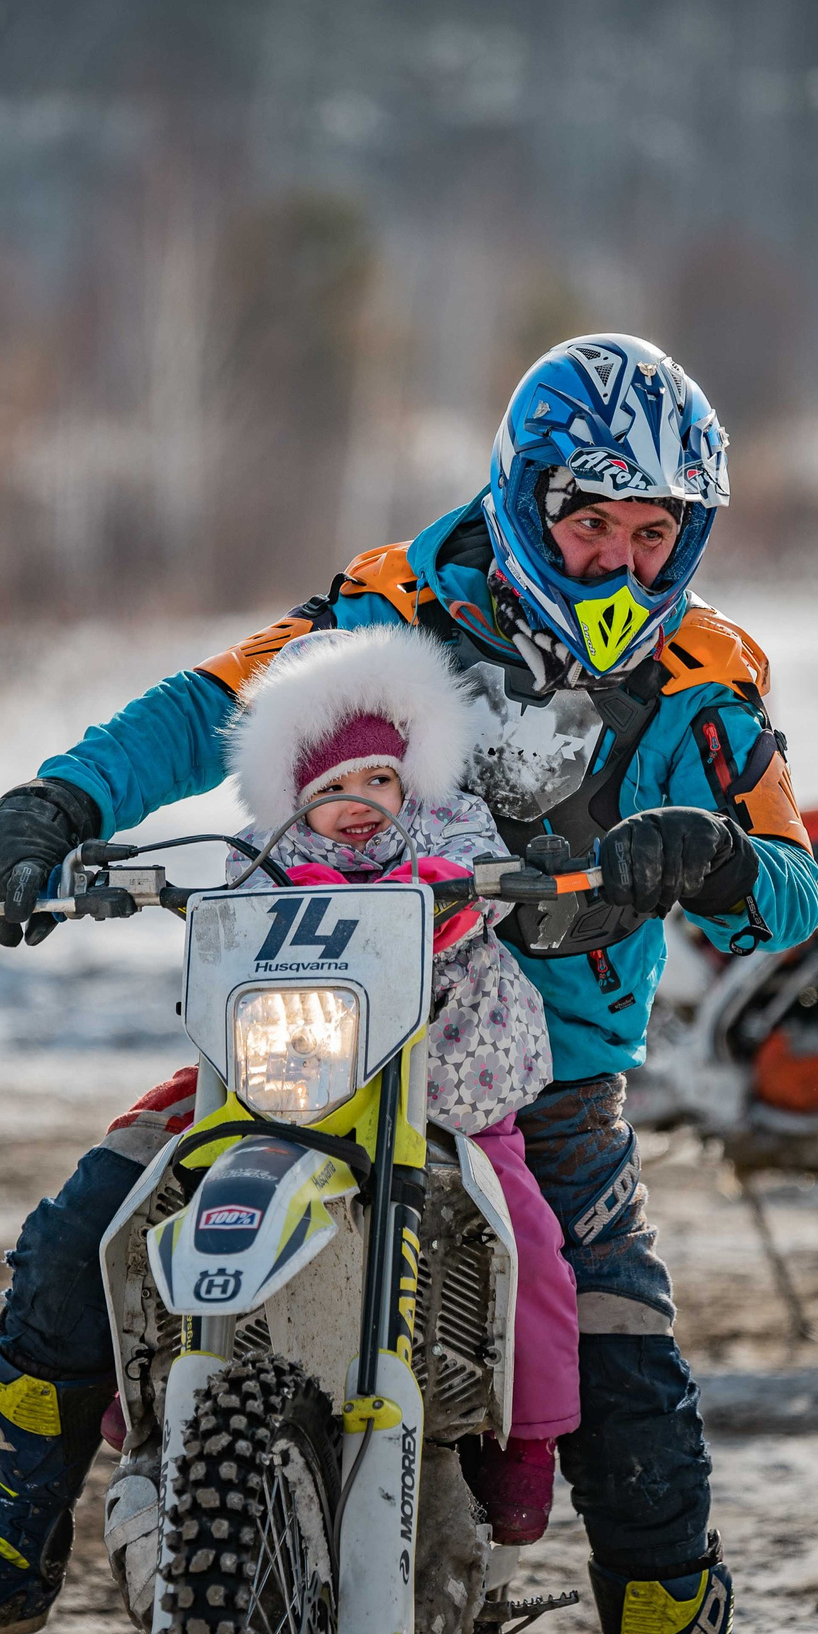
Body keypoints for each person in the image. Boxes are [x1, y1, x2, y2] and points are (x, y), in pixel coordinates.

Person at [0, 334, 818, 1634]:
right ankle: (11, 1540)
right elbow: (215, 703)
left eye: (655, 531)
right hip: (314, 1023)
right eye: (593, 521)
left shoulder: (710, 675)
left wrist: (708, 853)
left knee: (627, 1373)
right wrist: (52, 805)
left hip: (542, 1077)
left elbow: (792, 887)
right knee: (84, 1234)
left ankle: (665, 1618)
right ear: (530, 497)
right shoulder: (394, 601)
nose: (622, 559)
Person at [222, 623, 579, 1535]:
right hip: (303, 1093)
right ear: (293, 793)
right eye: (330, 787)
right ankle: (161, 1405)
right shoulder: (267, 853)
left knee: (528, 1242)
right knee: (174, 1190)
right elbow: (233, 908)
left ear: (409, 776)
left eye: (378, 778)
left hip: (452, 1086)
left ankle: (525, 1443)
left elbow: (487, 873)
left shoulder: (445, 823)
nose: (359, 803)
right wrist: (276, 895)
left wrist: (455, 885)